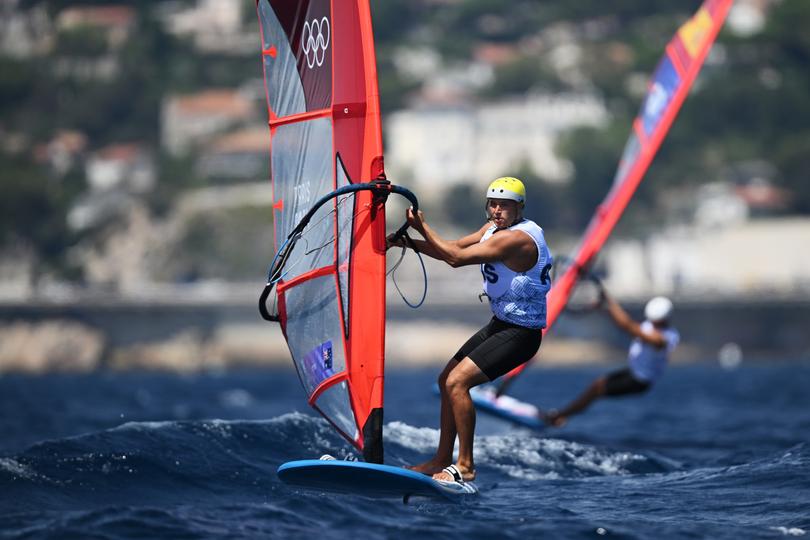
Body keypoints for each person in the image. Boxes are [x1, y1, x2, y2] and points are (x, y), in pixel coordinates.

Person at [387, 177, 552, 483]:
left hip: (522, 334)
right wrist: (405, 242)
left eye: (505, 205)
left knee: (457, 383)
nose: (497, 210)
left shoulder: (516, 239)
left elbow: (455, 259)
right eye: (493, 203)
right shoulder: (491, 230)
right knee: (445, 378)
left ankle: (465, 465)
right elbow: (450, 247)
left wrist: (422, 228)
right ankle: (440, 458)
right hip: (501, 325)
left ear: (520, 208)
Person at [542, 287, 680, 427]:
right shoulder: (651, 325)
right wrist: (605, 308)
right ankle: (560, 416)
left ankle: (559, 417)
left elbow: (627, 326)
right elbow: (626, 323)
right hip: (633, 372)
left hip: (638, 381)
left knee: (597, 388)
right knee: (597, 387)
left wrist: (609, 301)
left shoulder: (663, 338)